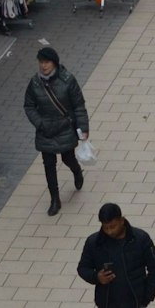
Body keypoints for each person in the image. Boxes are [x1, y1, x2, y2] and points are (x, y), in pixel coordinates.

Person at [25, 46, 90, 217]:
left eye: (47, 62)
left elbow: (78, 105)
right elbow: (29, 106)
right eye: (41, 62)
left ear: (54, 63)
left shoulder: (67, 80)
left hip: (64, 128)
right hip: (45, 130)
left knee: (68, 157)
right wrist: (39, 123)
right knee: (49, 165)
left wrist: (83, 128)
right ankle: (55, 199)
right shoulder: (35, 83)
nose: (43, 66)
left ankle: (76, 171)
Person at [76, 203, 155, 308]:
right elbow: (83, 268)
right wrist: (96, 277)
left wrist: (147, 297)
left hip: (135, 302)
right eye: (105, 227)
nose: (109, 231)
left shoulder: (140, 239)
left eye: (113, 227)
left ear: (121, 221)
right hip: (107, 303)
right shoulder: (94, 243)